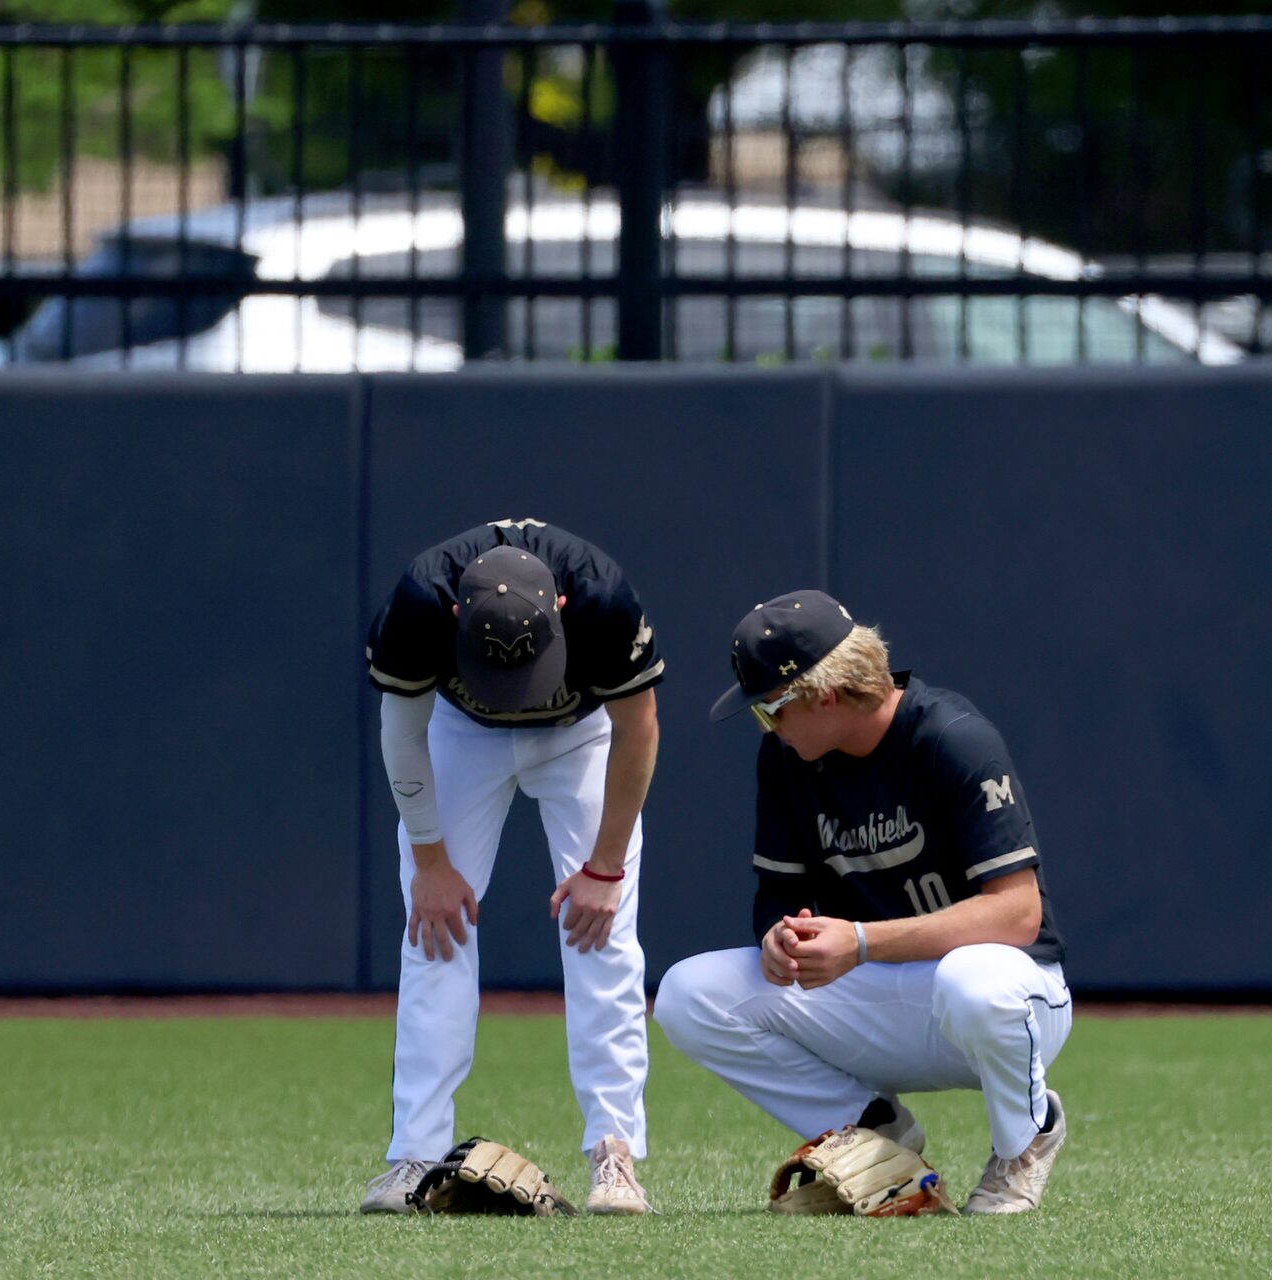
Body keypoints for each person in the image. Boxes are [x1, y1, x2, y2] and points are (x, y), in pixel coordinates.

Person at [653, 591, 1073, 1215]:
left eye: (769, 710)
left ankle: (1025, 1137)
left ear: (823, 694)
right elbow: (780, 896)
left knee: (972, 982)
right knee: (688, 994)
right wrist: (778, 937)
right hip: (878, 990)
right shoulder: (789, 760)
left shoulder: (953, 738)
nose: (766, 727)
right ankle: (875, 1134)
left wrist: (863, 941)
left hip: (1009, 997)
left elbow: (1016, 914)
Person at [356, 519, 665, 1216]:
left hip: (579, 734)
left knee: (601, 932)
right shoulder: (418, 600)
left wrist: (606, 868)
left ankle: (615, 1153)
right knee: (433, 928)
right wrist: (430, 860)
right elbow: (401, 731)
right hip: (460, 735)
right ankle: (416, 1152)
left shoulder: (602, 596)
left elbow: (637, 726)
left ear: (559, 607)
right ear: (457, 615)